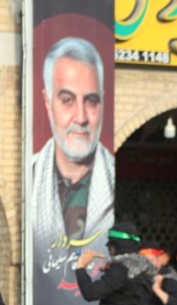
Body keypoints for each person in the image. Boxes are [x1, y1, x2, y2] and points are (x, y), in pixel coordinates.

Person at [32, 36, 115, 256]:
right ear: (48, 102)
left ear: (103, 102)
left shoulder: (116, 179)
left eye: (91, 101)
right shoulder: (28, 179)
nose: (81, 117)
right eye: (67, 100)